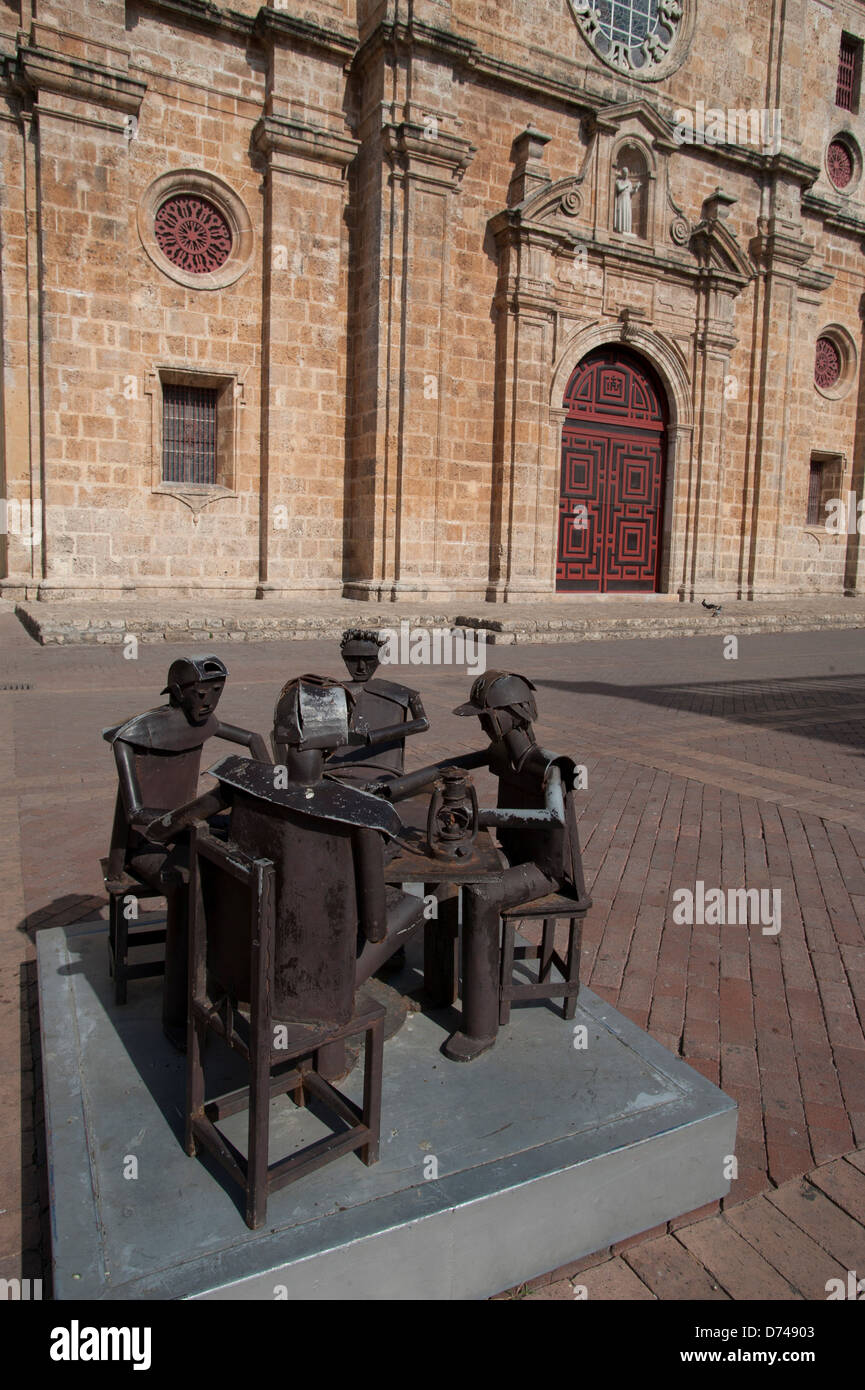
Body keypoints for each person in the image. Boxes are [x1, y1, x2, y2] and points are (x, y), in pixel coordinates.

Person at [146, 676, 430, 1062]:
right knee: (410, 907)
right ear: (338, 737)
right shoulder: (363, 813)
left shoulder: (239, 779)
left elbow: (165, 828)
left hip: (238, 972)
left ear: (280, 732)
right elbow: (376, 928)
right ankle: (329, 1053)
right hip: (311, 992)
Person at [377, 670, 590, 1060]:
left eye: (486, 716)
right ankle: (439, 989)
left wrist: (480, 817)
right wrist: (393, 789)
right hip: (513, 849)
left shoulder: (549, 766)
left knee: (481, 894)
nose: (481, 724)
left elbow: (554, 818)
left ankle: (480, 1028)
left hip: (545, 870)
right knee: (445, 876)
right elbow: (449, 766)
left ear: (510, 714)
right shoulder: (503, 753)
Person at [103, 655, 269, 1046]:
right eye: (200, 692)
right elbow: (137, 814)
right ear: (177, 692)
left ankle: (226, 981)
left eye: (217, 692)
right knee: (186, 887)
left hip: (184, 830)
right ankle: (176, 1017)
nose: (209, 701)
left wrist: (270, 779)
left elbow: (253, 739)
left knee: (244, 869)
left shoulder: (204, 722)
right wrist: (194, 815)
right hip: (147, 844)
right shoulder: (131, 738)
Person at [325, 629, 429, 784]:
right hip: (330, 770)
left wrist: (372, 737)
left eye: (369, 660)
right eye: (353, 659)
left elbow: (423, 722)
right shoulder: (327, 692)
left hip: (382, 770)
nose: (361, 667)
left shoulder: (401, 693)